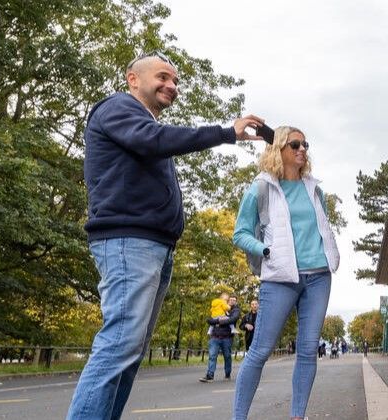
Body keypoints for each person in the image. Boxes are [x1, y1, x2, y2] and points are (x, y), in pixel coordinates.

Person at [66, 51, 265, 420]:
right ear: (132, 79)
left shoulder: (143, 124)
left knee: (129, 352)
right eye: (162, 77)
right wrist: (226, 132)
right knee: (118, 346)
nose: (171, 86)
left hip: (154, 246)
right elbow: (155, 140)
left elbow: (155, 142)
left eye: (175, 81)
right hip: (129, 242)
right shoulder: (118, 109)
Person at [231, 126, 340, 420]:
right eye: (294, 144)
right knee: (260, 350)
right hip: (280, 278)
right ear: (278, 149)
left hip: (319, 276)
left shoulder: (314, 189)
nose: (302, 149)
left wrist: (332, 255)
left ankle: (297, 416)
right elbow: (240, 233)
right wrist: (266, 251)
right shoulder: (261, 188)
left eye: (305, 143)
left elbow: (322, 227)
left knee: (307, 351)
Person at [201, 295, 241, 382]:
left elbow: (233, 319)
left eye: (234, 300)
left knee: (227, 356)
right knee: (212, 356)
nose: (232, 301)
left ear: (236, 302)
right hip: (215, 336)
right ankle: (210, 375)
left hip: (227, 338)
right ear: (227, 300)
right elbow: (209, 320)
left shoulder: (235, 310)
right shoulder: (219, 307)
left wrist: (219, 321)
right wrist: (218, 320)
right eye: (230, 300)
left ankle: (227, 374)